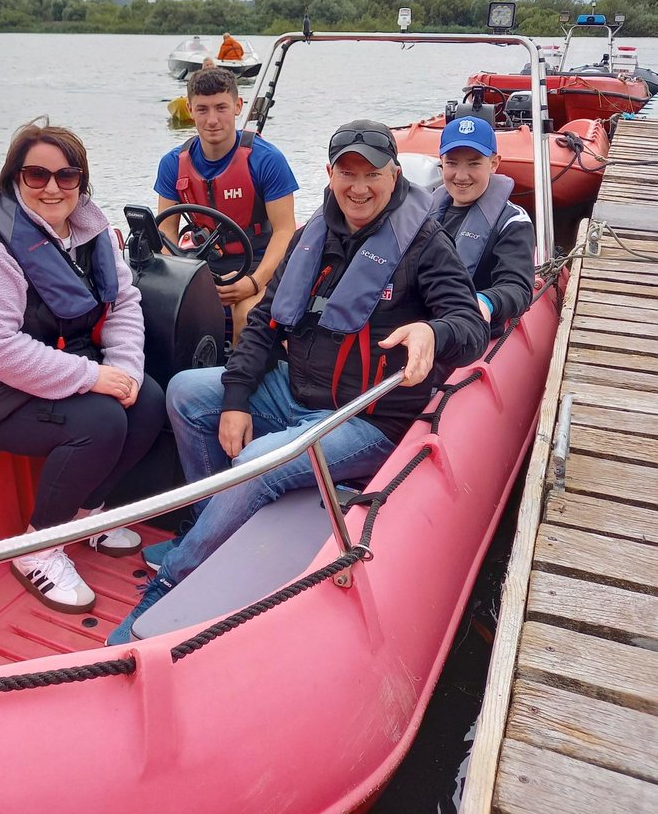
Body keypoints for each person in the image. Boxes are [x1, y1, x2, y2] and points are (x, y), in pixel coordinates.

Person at [107, 119, 489, 644]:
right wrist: (237, 397)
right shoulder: (314, 232)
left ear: (394, 174)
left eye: (372, 174)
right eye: (346, 173)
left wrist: (432, 329)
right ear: (329, 173)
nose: (359, 187)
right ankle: (210, 529)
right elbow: (265, 320)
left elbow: (468, 327)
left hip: (369, 417)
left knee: (262, 461)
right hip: (298, 389)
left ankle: (176, 579)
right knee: (188, 393)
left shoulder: (425, 243)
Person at [0, 119, 166, 615]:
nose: (52, 187)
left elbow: (123, 304)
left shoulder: (89, 233)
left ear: (81, 182)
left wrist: (124, 369)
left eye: (66, 175)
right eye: (36, 175)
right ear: (15, 179)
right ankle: (37, 548)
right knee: (99, 422)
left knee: (147, 401)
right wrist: (91, 377)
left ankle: (84, 520)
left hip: (44, 364)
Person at [154, 66, 298, 343]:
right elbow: (166, 231)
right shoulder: (172, 163)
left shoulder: (267, 159)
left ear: (237, 106)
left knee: (246, 312)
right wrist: (179, 277)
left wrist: (253, 282)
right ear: (190, 109)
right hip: (202, 260)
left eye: (221, 108)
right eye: (203, 109)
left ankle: (235, 380)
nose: (212, 120)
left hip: (259, 260)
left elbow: (285, 231)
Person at [433, 115, 535, 333]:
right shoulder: (423, 214)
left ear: (494, 163)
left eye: (473, 163)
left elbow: (517, 288)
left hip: (471, 329)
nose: (461, 175)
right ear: (441, 162)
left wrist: (487, 301)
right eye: (451, 163)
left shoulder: (513, 222)